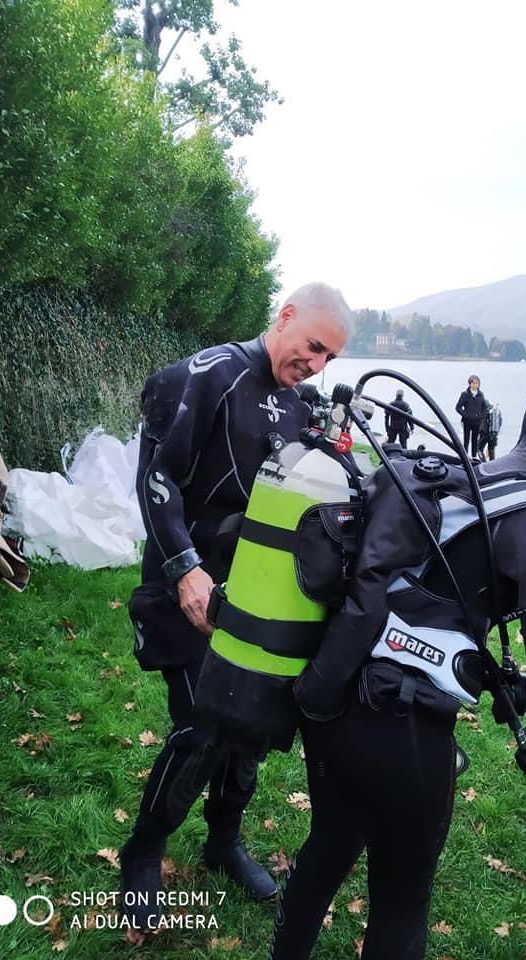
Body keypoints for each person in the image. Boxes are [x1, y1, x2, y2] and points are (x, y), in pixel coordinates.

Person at [268, 359, 526, 960]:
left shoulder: (459, 477)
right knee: (401, 909)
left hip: (334, 697)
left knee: (327, 846)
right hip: (405, 737)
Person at [120, 282, 352, 930]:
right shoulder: (206, 376)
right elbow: (156, 476)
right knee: (200, 728)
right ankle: (145, 850)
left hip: (258, 599)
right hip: (185, 590)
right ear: (284, 318)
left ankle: (223, 841)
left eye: (330, 357)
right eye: (313, 346)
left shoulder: (302, 402)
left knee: (250, 729)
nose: (317, 365)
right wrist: (183, 569)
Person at [455, 375, 490, 458]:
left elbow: (485, 408)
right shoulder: (465, 394)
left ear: (478, 384)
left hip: (477, 422)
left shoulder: (481, 395)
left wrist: (480, 416)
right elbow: (458, 407)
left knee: (475, 441)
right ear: (470, 384)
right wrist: (466, 415)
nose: (474, 385)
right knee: (466, 440)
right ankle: (465, 457)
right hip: (467, 421)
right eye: (473, 383)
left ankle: (474, 457)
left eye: (476, 383)